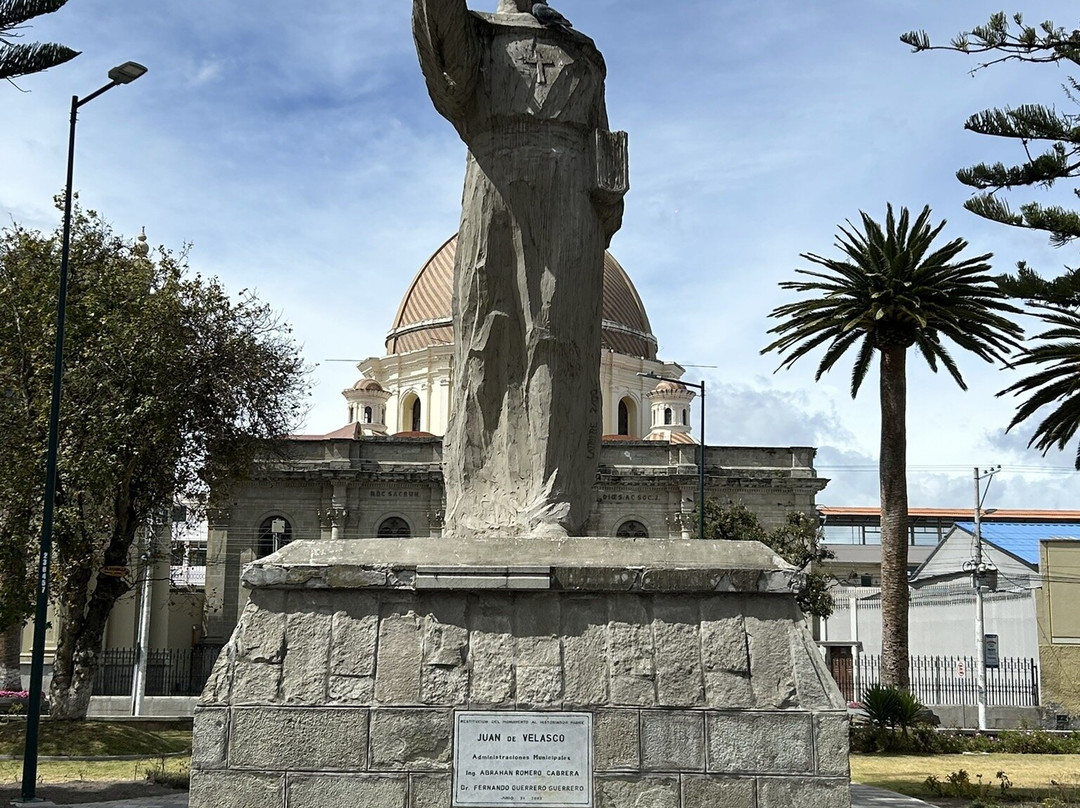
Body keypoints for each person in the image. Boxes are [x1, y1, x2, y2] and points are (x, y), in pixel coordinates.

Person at [413, 0, 628, 538]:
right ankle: (482, 504)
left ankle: (553, 502)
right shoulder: (479, 35)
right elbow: (449, 78)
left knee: (559, 337)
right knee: (489, 335)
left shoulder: (582, 51)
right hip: (495, 182)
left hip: (571, 195)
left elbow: (603, 140)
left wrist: (606, 202)